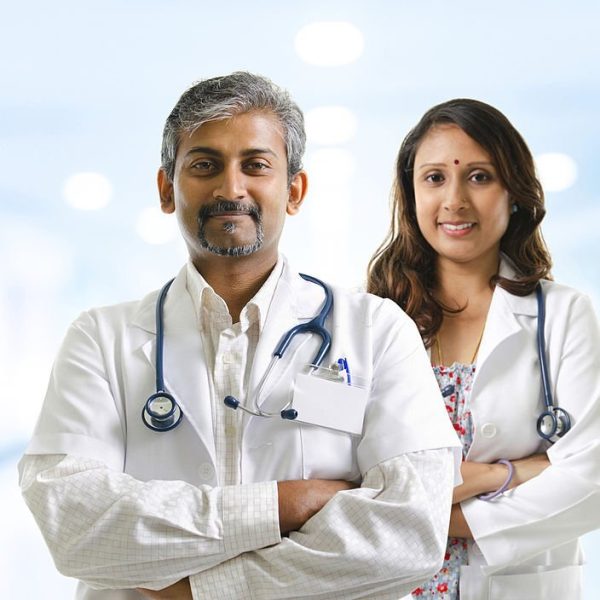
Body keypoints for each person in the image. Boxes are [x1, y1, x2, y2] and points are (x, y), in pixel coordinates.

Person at [19, 72, 461, 600]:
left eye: (256, 165)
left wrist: (202, 591)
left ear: (294, 190)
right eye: (205, 165)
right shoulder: (100, 339)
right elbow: (75, 529)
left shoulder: (376, 332)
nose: (231, 188)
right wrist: (281, 504)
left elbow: (408, 535)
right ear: (167, 188)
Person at [367, 98, 600, 599]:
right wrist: (509, 474)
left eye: (479, 177)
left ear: (513, 192)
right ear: (411, 194)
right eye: (434, 178)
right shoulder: (372, 321)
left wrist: (439, 515)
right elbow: (341, 478)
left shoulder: (563, 316)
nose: (454, 200)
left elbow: (592, 482)